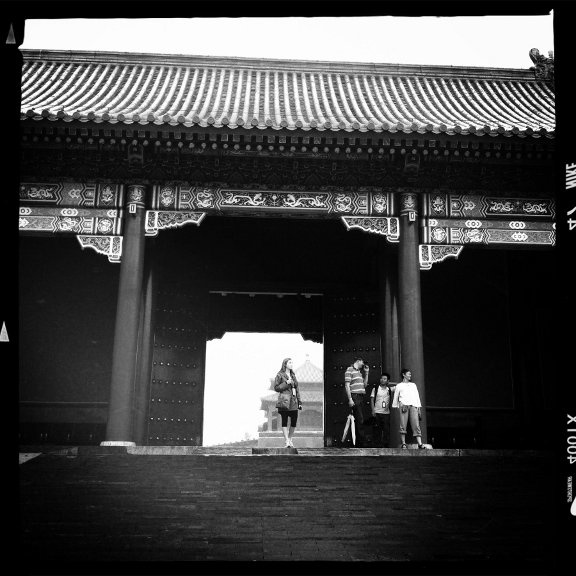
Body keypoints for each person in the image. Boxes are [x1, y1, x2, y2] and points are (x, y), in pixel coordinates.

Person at [391, 368, 427, 449]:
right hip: (403, 405)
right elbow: (396, 397)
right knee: (403, 425)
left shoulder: (413, 385)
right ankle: (403, 443)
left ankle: (420, 444)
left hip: (413, 405)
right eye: (409, 374)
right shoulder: (399, 385)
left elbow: (417, 396)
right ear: (404, 374)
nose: (410, 375)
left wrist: (418, 407)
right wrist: (397, 406)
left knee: (416, 425)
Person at [274, 358, 302, 448]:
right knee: (284, 421)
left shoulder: (293, 375)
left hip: (293, 401)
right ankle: (286, 441)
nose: (291, 364)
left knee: (294, 421)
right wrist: (286, 382)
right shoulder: (280, 375)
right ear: (285, 364)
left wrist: (299, 401)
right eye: (290, 363)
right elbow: (276, 387)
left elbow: (297, 389)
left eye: (292, 363)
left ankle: (290, 439)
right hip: (285, 400)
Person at [344, 357, 370, 447]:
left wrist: (366, 373)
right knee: (360, 419)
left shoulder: (359, 372)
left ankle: (357, 441)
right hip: (355, 396)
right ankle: (361, 442)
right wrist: (350, 399)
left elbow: (364, 385)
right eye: (363, 362)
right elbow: (347, 386)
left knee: (359, 419)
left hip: (361, 396)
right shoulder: (349, 370)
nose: (363, 364)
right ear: (358, 361)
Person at [370, 372, 396, 447]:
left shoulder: (389, 389)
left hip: (386, 413)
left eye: (384, 379)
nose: (382, 380)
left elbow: (399, 385)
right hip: (377, 412)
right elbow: (372, 399)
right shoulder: (375, 388)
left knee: (386, 430)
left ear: (388, 381)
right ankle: (376, 446)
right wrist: (373, 410)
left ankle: (385, 446)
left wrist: (389, 383)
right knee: (376, 430)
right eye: (381, 378)